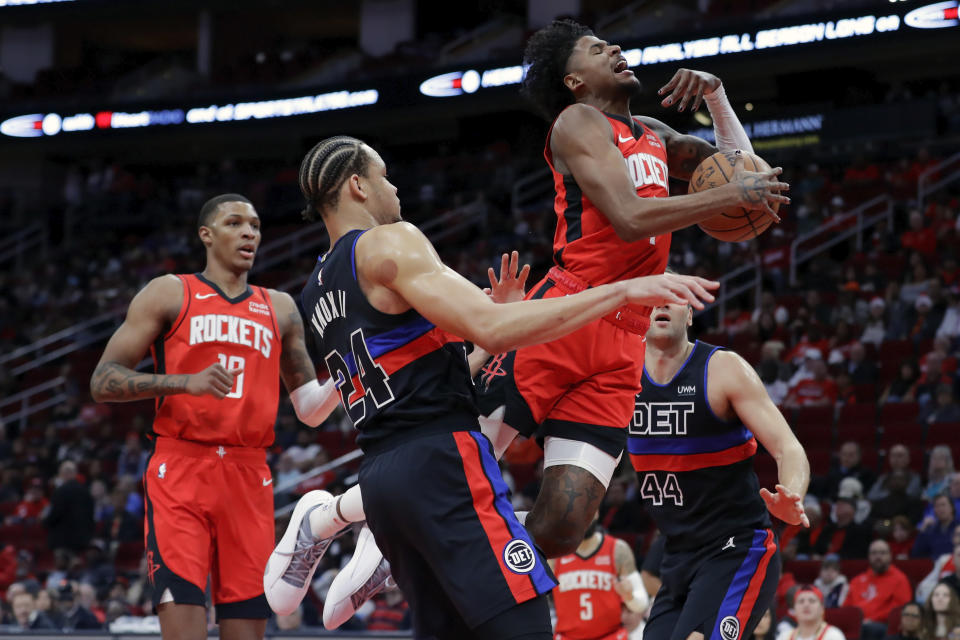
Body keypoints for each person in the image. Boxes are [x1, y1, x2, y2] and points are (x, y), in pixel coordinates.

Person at [264, 136, 718, 639]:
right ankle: (329, 519)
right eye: (385, 176)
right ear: (357, 185)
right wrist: (622, 290)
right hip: (441, 461)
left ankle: (333, 518)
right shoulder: (389, 241)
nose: (394, 188)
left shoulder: (315, 289)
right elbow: (493, 330)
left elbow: (427, 366)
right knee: (524, 625)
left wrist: (498, 314)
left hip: (382, 474)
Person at [489, 19, 789, 564]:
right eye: (597, 49)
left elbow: (748, 180)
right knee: (463, 459)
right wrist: (725, 195)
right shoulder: (578, 120)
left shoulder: (652, 131)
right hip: (569, 310)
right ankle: (357, 528)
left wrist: (718, 100)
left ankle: (481, 577)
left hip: (626, 332)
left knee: (562, 526)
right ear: (575, 80)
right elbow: (629, 217)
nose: (616, 49)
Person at [89, 194, 341, 640]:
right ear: (206, 234)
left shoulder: (281, 307)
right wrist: (181, 382)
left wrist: (351, 371)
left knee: (246, 622)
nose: (250, 233)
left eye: (256, 225)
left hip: (249, 472)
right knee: (182, 613)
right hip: (181, 465)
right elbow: (103, 380)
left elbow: (309, 410)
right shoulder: (170, 291)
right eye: (235, 223)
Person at [631, 298, 809, 640]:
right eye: (652, 298)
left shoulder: (722, 368)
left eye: (673, 298)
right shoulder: (621, 373)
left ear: (690, 315)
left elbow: (789, 448)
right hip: (677, 556)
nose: (661, 305)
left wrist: (793, 493)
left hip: (737, 547)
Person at [550, 517, 647, 640]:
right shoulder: (554, 554)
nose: (586, 514)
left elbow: (642, 604)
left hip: (611, 636)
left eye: (591, 506)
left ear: (597, 511)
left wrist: (629, 597)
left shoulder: (618, 549)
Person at [846, 540, 913, 640]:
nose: (878, 557)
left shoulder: (900, 579)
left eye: (882, 553)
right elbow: (847, 608)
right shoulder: (857, 580)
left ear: (890, 556)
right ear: (868, 556)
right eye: (874, 553)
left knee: (869, 629)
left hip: (882, 627)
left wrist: (871, 619)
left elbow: (899, 610)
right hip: (857, 625)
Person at [774, 586, 844, 640]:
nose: (806, 605)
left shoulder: (833, 636)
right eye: (801, 601)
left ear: (822, 608)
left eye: (812, 601)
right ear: (794, 609)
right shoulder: (784, 636)